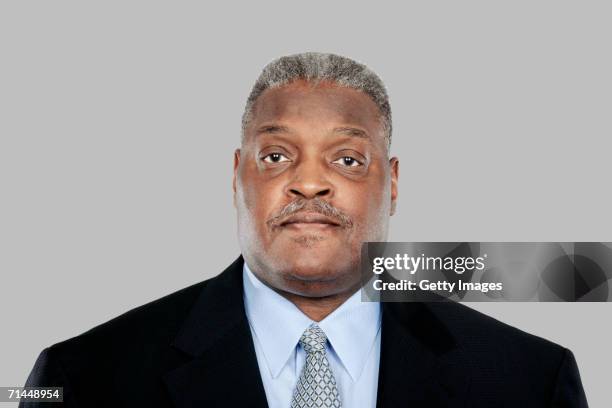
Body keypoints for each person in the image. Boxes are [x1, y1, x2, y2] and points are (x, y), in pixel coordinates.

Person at [21, 52, 588, 407]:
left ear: (391, 182)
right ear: (236, 175)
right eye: (275, 156)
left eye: (346, 159)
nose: (309, 183)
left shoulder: (529, 380)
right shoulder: (83, 379)